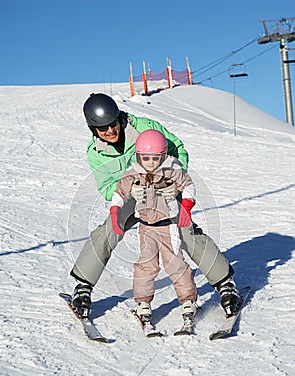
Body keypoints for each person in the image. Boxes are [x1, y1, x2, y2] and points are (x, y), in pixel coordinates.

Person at [70, 93, 241, 318]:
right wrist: (131, 190)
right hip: (133, 194)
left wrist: (174, 179)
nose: (110, 131)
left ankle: (225, 284)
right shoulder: (96, 153)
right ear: (93, 129)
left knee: (185, 230)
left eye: (112, 124)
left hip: (164, 188)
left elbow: (177, 148)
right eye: (103, 129)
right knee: (111, 228)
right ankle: (83, 287)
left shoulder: (145, 128)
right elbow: (106, 187)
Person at [110, 129, 198, 329]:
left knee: (176, 264)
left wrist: (186, 206)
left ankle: (188, 301)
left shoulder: (171, 170)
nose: (150, 162)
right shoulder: (134, 172)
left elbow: (189, 186)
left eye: (155, 158)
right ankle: (143, 303)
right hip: (146, 228)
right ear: (139, 156)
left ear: (164, 156)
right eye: (146, 158)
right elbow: (120, 191)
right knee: (146, 265)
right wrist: (115, 210)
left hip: (168, 227)